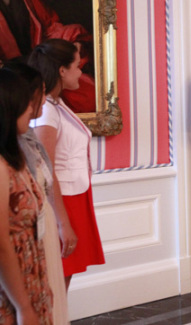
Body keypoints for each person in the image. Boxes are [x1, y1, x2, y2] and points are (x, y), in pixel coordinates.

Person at [28, 38, 105, 290]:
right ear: (62, 70)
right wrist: (62, 222)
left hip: (73, 196)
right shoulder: (47, 111)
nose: (81, 72)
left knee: (63, 278)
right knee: (57, 280)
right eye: (77, 66)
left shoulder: (55, 104)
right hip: (62, 202)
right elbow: (46, 170)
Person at [7, 62, 73, 324]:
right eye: (35, 98)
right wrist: (24, 305)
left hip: (37, 243)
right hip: (18, 258)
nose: (40, 106)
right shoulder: (7, 161)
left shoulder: (27, 136)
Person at [0, 68, 53, 324]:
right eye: (25, 104)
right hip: (12, 289)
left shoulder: (15, 157)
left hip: (29, 275)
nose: (32, 110)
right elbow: (1, 245)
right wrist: (23, 306)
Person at [0, 0, 95, 113]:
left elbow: (51, 27)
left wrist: (72, 43)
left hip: (43, 59)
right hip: (14, 72)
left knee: (90, 93)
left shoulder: (30, 2)